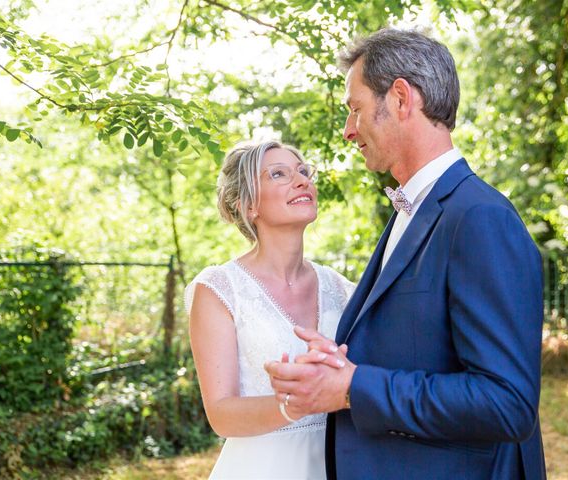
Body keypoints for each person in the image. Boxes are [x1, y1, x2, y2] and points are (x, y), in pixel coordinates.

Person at [265, 28, 546, 479]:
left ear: (400, 99)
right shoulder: (407, 213)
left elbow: (507, 403)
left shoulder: (479, 218)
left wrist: (353, 387)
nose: (347, 130)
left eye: (355, 109)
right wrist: (342, 365)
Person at [185, 141, 355, 479]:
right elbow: (220, 414)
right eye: (279, 174)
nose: (302, 180)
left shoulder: (341, 288)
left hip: (338, 464)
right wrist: (297, 404)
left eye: (304, 172)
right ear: (249, 206)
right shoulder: (219, 289)